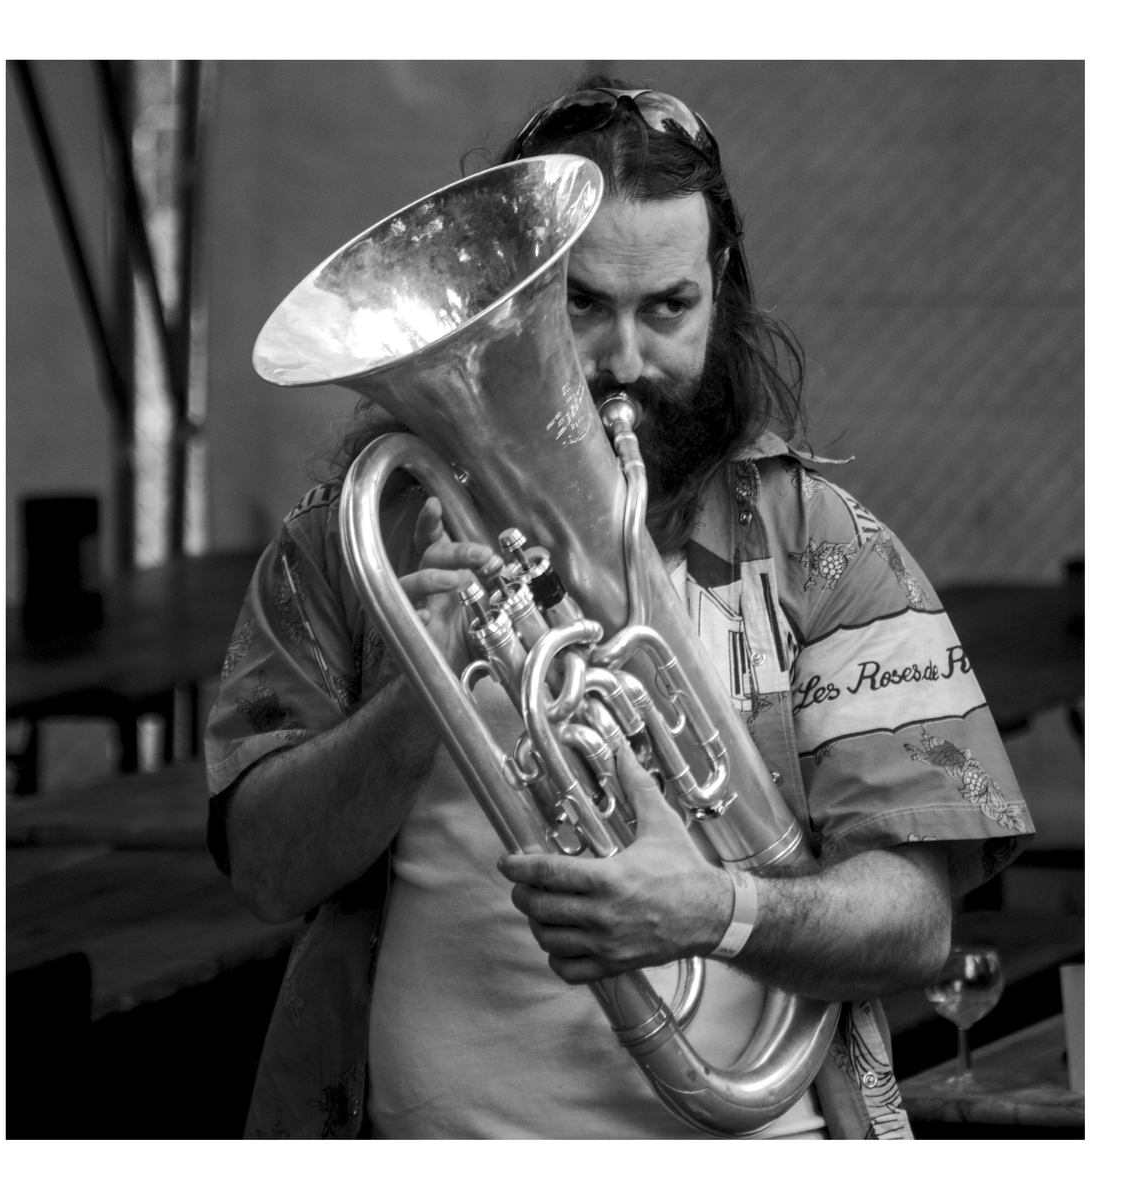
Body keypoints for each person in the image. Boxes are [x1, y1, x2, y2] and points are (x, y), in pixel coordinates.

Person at [205, 79, 1033, 1140]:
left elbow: (915, 924)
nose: (625, 364)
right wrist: (416, 704)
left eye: (667, 308)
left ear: (719, 290)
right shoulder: (351, 543)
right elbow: (267, 873)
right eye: (582, 305)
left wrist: (716, 911)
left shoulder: (823, 547)